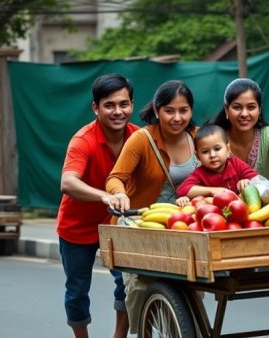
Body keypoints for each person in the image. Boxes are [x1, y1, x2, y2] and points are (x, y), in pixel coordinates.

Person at [105, 80, 198, 334]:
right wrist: (120, 194)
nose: (177, 117)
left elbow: (223, 166)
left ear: (191, 111)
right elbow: (115, 177)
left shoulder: (198, 137)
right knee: (139, 284)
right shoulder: (141, 139)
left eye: (183, 110)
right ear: (157, 110)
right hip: (142, 224)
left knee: (194, 283)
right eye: (169, 110)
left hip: (184, 226)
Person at [57, 74, 139, 338]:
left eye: (123, 104)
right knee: (77, 290)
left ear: (132, 105)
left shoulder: (139, 137)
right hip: (76, 227)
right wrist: (104, 196)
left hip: (118, 223)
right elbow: (68, 182)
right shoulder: (83, 140)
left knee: (127, 283)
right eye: (109, 105)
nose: (118, 111)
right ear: (96, 107)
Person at [209, 78, 269, 180]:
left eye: (251, 107)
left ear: (259, 110)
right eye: (237, 107)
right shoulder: (213, 138)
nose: (244, 114)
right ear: (226, 109)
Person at [176, 124, 258, 203]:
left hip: (241, 210)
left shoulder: (236, 163)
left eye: (217, 149)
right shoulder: (199, 173)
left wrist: (247, 181)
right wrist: (212, 191)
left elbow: (258, 180)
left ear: (228, 149)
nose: (212, 155)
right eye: (205, 152)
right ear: (198, 156)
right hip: (213, 214)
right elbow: (182, 190)